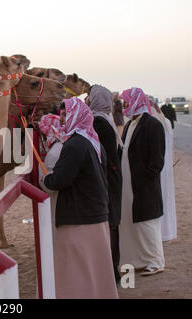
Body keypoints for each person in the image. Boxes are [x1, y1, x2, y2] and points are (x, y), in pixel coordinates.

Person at [42, 97, 118, 299]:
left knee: (76, 270)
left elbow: (60, 180)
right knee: (93, 269)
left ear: (79, 115)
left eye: (67, 113)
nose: (63, 118)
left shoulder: (75, 144)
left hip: (79, 217)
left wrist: (46, 179)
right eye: (62, 113)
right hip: (95, 213)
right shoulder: (91, 141)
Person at [119, 87, 165, 276]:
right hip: (129, 183)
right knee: (133, 221)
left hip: (143, 184)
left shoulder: (152, 124)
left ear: (137, 101)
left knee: (148, 222)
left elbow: (157, 158)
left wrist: (148, 178)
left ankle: (155, 261)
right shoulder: (131, 124)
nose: (124, 106)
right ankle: (138, 259)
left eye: (127, 103)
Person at [86, 85, 123, 285]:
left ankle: (111, 271)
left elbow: (104, 155)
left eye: (91, 98)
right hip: (113, 177)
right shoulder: (105, 119)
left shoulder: (99, 121)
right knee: (113, 223)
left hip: (108, 179)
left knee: (110, 224)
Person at [148, 97, 177, 242]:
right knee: (166, 198)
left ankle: (161, 232)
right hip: (165, 167)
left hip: (157, 166)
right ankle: (167, 231)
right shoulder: (164, 120)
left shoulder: (153, 121)